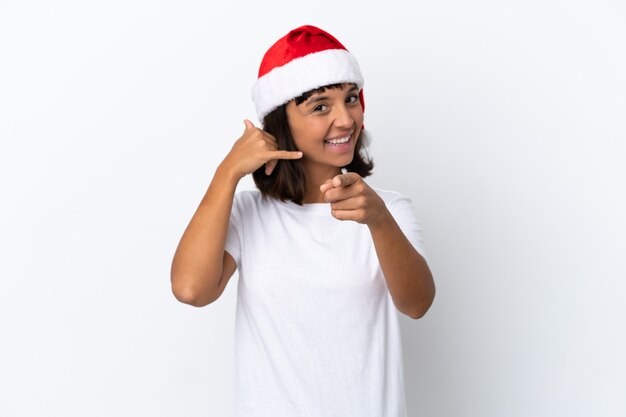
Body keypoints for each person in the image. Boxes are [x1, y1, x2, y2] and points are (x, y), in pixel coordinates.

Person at [171, 25, 436, 417]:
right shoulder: (250, 213)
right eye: (320, 106)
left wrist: (378, 219)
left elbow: (416, 304)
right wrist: (228, 171)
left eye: (351, 99)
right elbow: (192, 289)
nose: (346, 119)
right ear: (282, 122)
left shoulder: (388, 209)